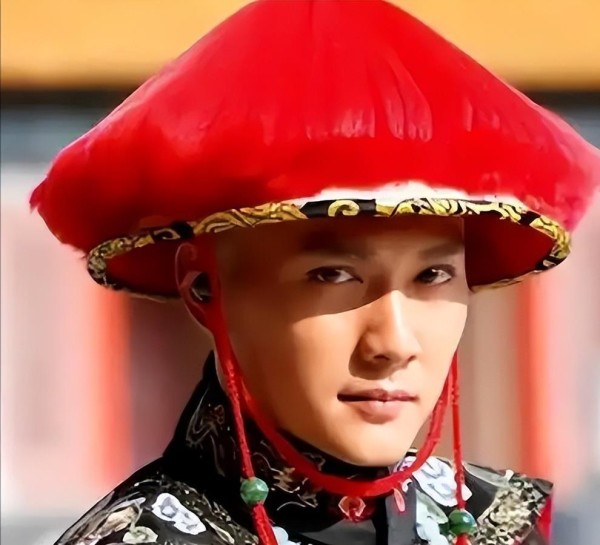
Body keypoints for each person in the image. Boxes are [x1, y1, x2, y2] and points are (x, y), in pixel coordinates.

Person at [30, 1, 600, 544]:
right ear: (205, 287)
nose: (394, 344)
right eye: (333, 275)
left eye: (431, 276)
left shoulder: (499, 524)